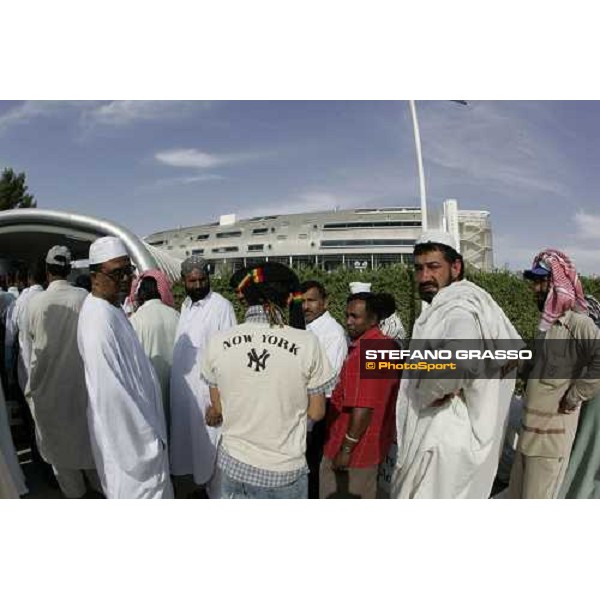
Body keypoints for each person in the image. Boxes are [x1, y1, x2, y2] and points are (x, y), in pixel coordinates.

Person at [391, 231, 523, 499]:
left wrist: (428, 390)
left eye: (434, 267)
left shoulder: (458, 309)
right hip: (452, 435)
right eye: (419, 268)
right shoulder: (472, 303)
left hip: (443, 435)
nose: (425, 276)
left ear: (456, 267)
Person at [201, 262, 334, 499]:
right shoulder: (308, 343)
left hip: (234, 466)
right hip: (283, 471)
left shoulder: (217, 341)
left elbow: (219, 406)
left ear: (247, 298)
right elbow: (316, 412)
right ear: (287, 299)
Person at [77, 236, 173, 499]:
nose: (124, 280)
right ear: (95, 276)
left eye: (128, 272)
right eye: (115, 273)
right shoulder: (98, 321)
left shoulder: (112, 308)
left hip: (145, 437)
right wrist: (148, 446)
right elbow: (112, 398)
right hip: (133, 457)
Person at [508, 250, 600, 499]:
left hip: (550, 443)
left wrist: (576, 394)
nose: (534, 289)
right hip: (528, 437)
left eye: (540, 282)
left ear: (557, 284)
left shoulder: (579, 325)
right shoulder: (546, 327)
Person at [25, 246, 99, 499]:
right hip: (83, 393)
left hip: (49, 394)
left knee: (63, 465)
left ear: (47, 271)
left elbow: (30, 352)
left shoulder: (35, 303)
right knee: (92, 457)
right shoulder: (85, 298)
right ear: (69, 270)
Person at [320, 292, 399, 499]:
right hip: (373, 447)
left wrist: (345, 450)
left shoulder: (365, 351)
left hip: (352, 453)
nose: (348, 322)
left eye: (355, 317)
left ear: (373, 319)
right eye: (347, 315)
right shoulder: (388, 345)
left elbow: (363, 406)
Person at [169, 256, 236, 498]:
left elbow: (228, 358)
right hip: (188, 401)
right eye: (192, 281)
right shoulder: (186, 306)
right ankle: (204, 491)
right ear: (183, 282)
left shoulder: (220, 307)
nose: (198, 286)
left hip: (209, 399)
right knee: (196, 453)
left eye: (202, 280)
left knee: (214, 453)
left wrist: (218, 405)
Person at [301, 279, 348, 498]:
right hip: (302, 413)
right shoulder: (303, 327)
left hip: (318, 414)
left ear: (325, 303)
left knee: (312, 471)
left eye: (311, 301)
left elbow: (325, 382)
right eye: (302, 301)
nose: (305, 306)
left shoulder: (332, 333)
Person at [130, 271, 180, 427]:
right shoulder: (176, 315)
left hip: (150, 389)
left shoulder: (136, 320)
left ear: (141, 295)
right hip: (177, 385)